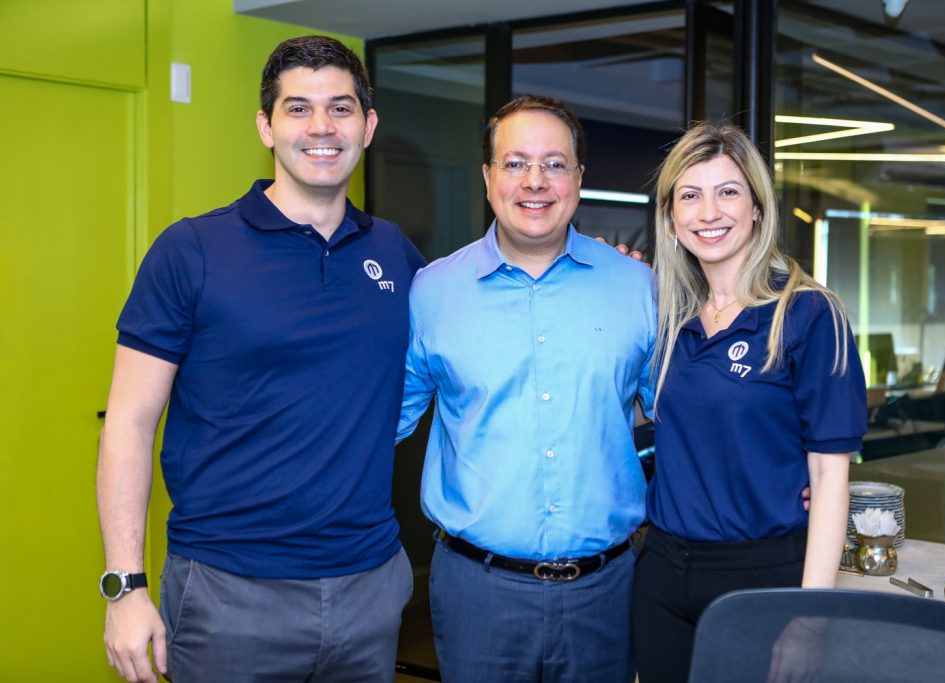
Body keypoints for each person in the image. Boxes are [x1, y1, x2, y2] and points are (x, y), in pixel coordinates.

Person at [97, 35, 424, 683]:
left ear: (368, 124)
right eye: (298, 108)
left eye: (341, 107)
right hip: (228, 591)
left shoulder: (395, 254)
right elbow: (129, 421)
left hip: (368, 587)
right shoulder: (192, 249)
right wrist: (124, 586)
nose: (322, 127)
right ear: (266, 127)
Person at [397, 95, 656, 683]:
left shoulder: (638, 288)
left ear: (579, 178)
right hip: (477, 594)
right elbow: (377, 421)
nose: (534, 181)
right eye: (514, 163)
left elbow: (684, 416)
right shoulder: (431, 294)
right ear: (488, 178)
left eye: (554, 164)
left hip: (607, 592)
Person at [630, 122, 867, 682]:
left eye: (728, 191)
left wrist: (812, 619)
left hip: (760, 577)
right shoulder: (668, 316)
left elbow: (831, 479)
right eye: (690, 195)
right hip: (662, 570)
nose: (708, 211)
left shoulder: (809, 315)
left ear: (758, 207)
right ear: (670, 217)